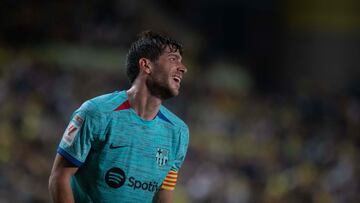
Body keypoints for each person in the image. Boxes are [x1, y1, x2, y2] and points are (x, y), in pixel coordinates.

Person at [48, 30, 189, 203]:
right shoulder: (96, 112)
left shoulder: (179, 131)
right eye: (173, 59)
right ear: (146, 65)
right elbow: (59, 177)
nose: (183, 68)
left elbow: (164, 192)